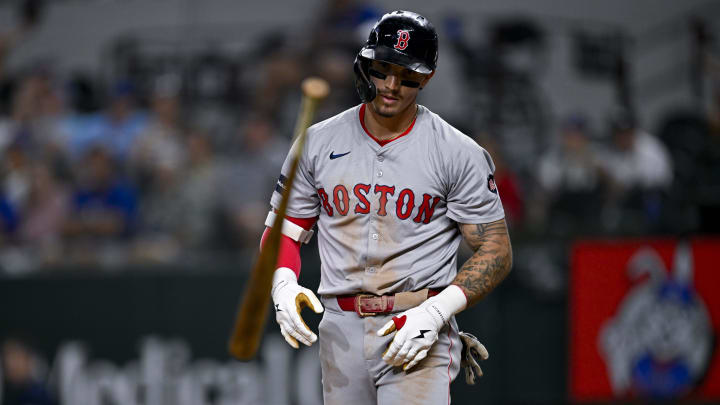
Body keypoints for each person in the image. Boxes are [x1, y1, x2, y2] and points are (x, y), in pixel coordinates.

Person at [262, 11, 512, 404]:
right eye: (383, 69)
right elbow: (286, 231)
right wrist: (282, 282)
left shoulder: (457, 152)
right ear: (364, 64)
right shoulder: (317, 143)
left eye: (408, 74)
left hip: (416, 325)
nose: (392, 85)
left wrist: (437, 313)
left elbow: (496, 249)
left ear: (428, 76)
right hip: (340, 326)